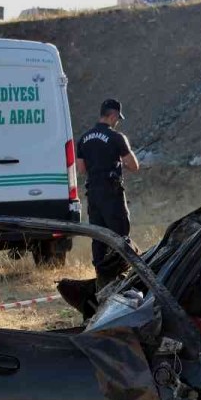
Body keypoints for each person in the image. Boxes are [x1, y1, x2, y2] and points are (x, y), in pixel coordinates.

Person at [75, 98, 141, 275]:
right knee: (120, 236)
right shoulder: (117, 137)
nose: (117, 122)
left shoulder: (84, 139)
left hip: (93, 194)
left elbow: (81, 169)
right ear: (113, 116)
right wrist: (119, 162)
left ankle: (101, 275)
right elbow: (134, 166)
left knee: (98, 237)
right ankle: (121, 273)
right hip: (112, 193)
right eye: (118, 118)